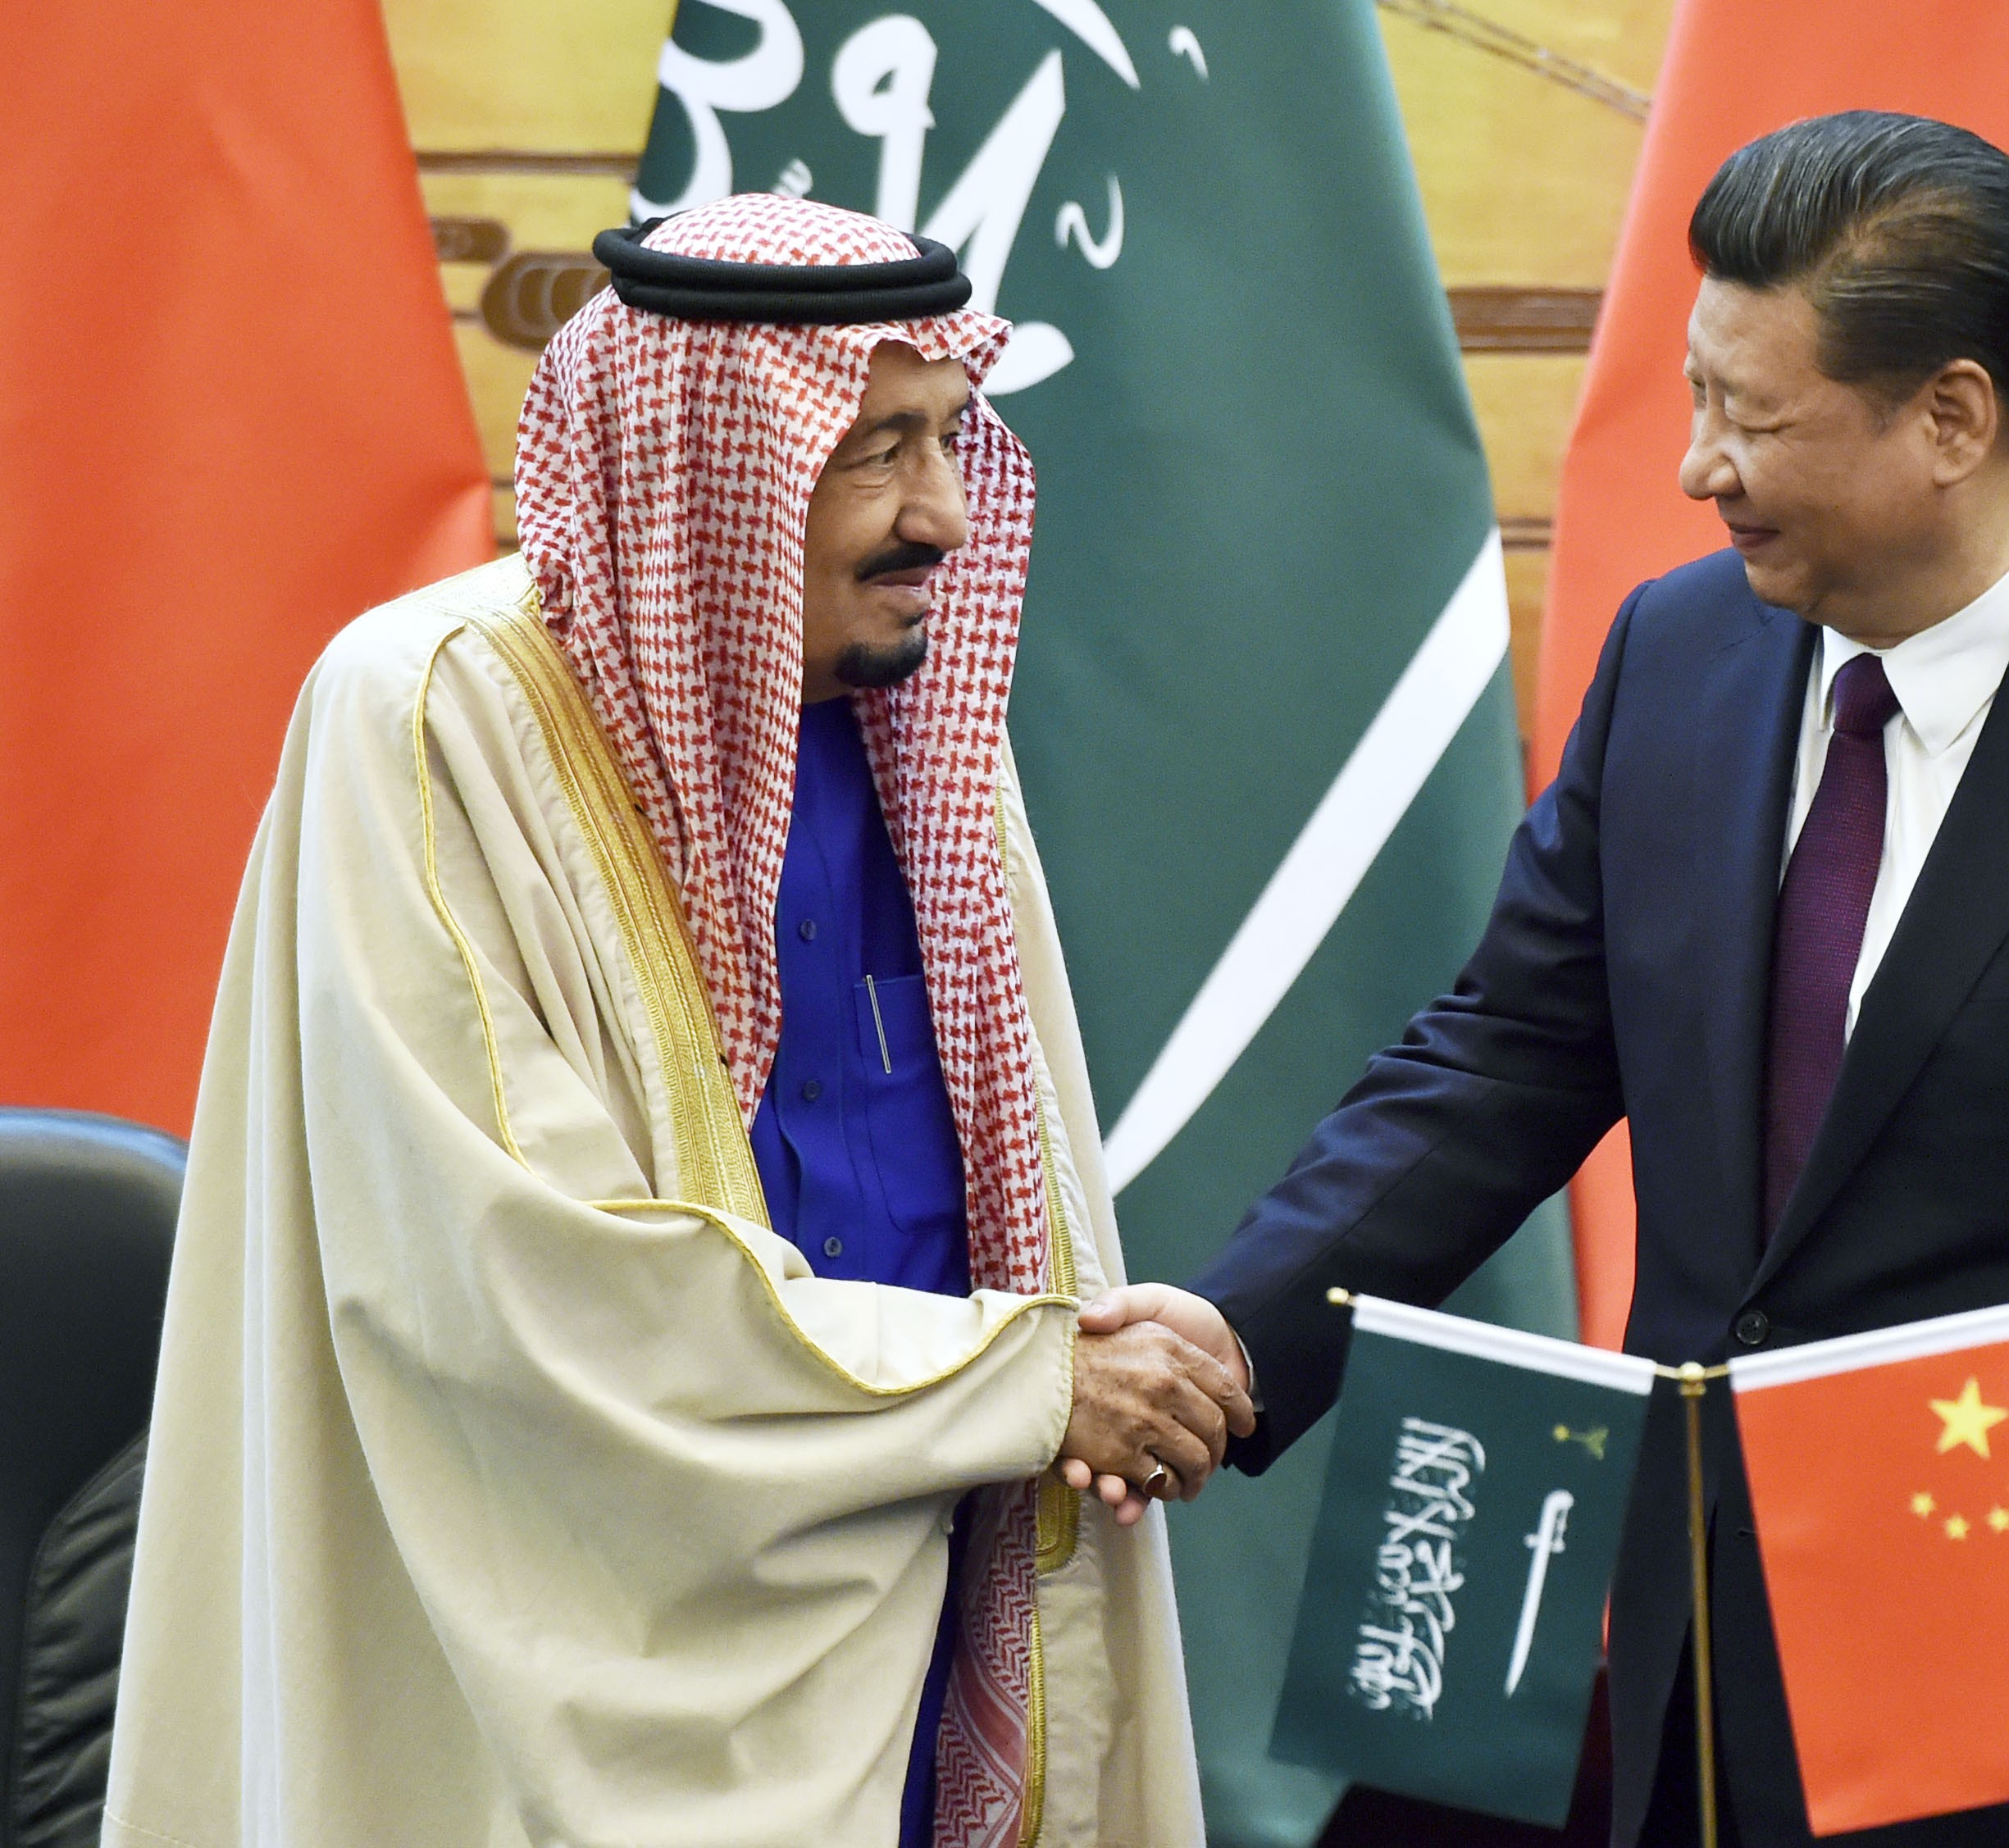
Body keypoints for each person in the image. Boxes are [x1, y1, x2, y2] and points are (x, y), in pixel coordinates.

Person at [1088, 113, 2009, 1846]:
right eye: (1692, 396)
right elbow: (1505, 1051)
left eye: (1749, 418)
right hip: (1700, 1657)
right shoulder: (1677, 656)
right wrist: (1235, 1324)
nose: (1694, 465)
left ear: (1947, 418)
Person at [103, 194, 1244, 1848]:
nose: (940, 513)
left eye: (948, 438)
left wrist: (1095, 1356)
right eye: (871, 452)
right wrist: (1024, 1380)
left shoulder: (926, 725)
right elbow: (524, 1285)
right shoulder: (437, 718)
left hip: (928, 1593)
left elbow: (1016, 1197)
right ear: (712, 469)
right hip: (602, 1650)